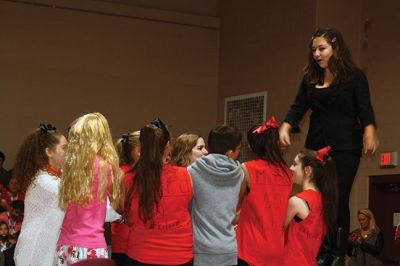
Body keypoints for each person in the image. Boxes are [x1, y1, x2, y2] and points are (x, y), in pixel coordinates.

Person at [279, 27, 379, 265]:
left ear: (336, 48)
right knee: (317, 196)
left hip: (345, 145)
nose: (317, 54)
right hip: (316, 145)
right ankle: (320, 246)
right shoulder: (310, 79)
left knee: (338, 196)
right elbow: (298, 107)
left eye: (322, 48)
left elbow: (364, 107)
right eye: (313, 50)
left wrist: (369, 129)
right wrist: (285, 125)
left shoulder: (355, 77)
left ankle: (336, 251)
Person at [55, 112, 122, 265]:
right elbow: (115, 205)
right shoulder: (106, 166)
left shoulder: (69, 166)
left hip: (65, 245)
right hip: (91, 244)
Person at [124, 118, 193, 265]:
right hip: (179, 256)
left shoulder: (129, 179)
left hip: (141, 254)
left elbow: (123, 211)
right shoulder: (185, 175)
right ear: (167, 146)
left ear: (141, 147)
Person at [236, 116, 292, 266]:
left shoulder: (247, 168)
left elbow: (236, 203)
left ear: (252, 146)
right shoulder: (286, 172)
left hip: (249, 248)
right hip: (277, 248)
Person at [188, 125, 244, 266]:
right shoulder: (239, 174)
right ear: (230, 152)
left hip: (201, 248)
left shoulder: (191, 172)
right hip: (229, 247)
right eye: (238, 149)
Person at [13, 124, 68, 266]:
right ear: (49, 152)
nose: (69, 152)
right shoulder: (44, 181)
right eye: (64, 148)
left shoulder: (56, 177)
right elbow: (78, 197)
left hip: (47, 249)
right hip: (34, 250)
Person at [282, 147, 337, 266]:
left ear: (307, 170)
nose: (291, 168)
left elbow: (274, 232)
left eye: (295, 164)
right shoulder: (326, 202)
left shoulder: (297, 202)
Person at [111, 131, 140, 266]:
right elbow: (120, 207)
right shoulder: (123, 174)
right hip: (127, 241)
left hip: (125, 240)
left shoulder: (121, 172)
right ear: (138, 151)